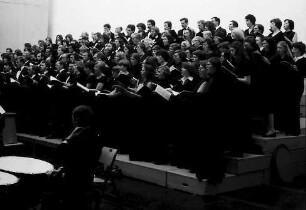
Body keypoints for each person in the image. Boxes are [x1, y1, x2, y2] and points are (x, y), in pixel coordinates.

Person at [48, 105, 102, 210]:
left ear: (76, 120)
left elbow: (57, 156)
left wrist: (69, 137)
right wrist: (63, 169)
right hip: (87, 179)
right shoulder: (95, 136)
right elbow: (81, 162)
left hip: (74, 184)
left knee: (48, 183)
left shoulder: (76, 138)